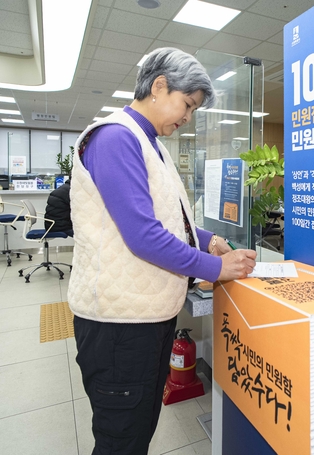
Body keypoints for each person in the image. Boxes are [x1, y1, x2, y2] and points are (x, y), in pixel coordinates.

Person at [68, 47, 257, 455]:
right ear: (158, 86)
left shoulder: (151, 144)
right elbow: (144, 236)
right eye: (187, 104)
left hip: (146, 317)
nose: (188, 117)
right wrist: (216, 268)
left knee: (137, 433)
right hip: (120, 327)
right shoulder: (116, 138)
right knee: (122, 441)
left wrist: (209, 240)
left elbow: (170, 220)